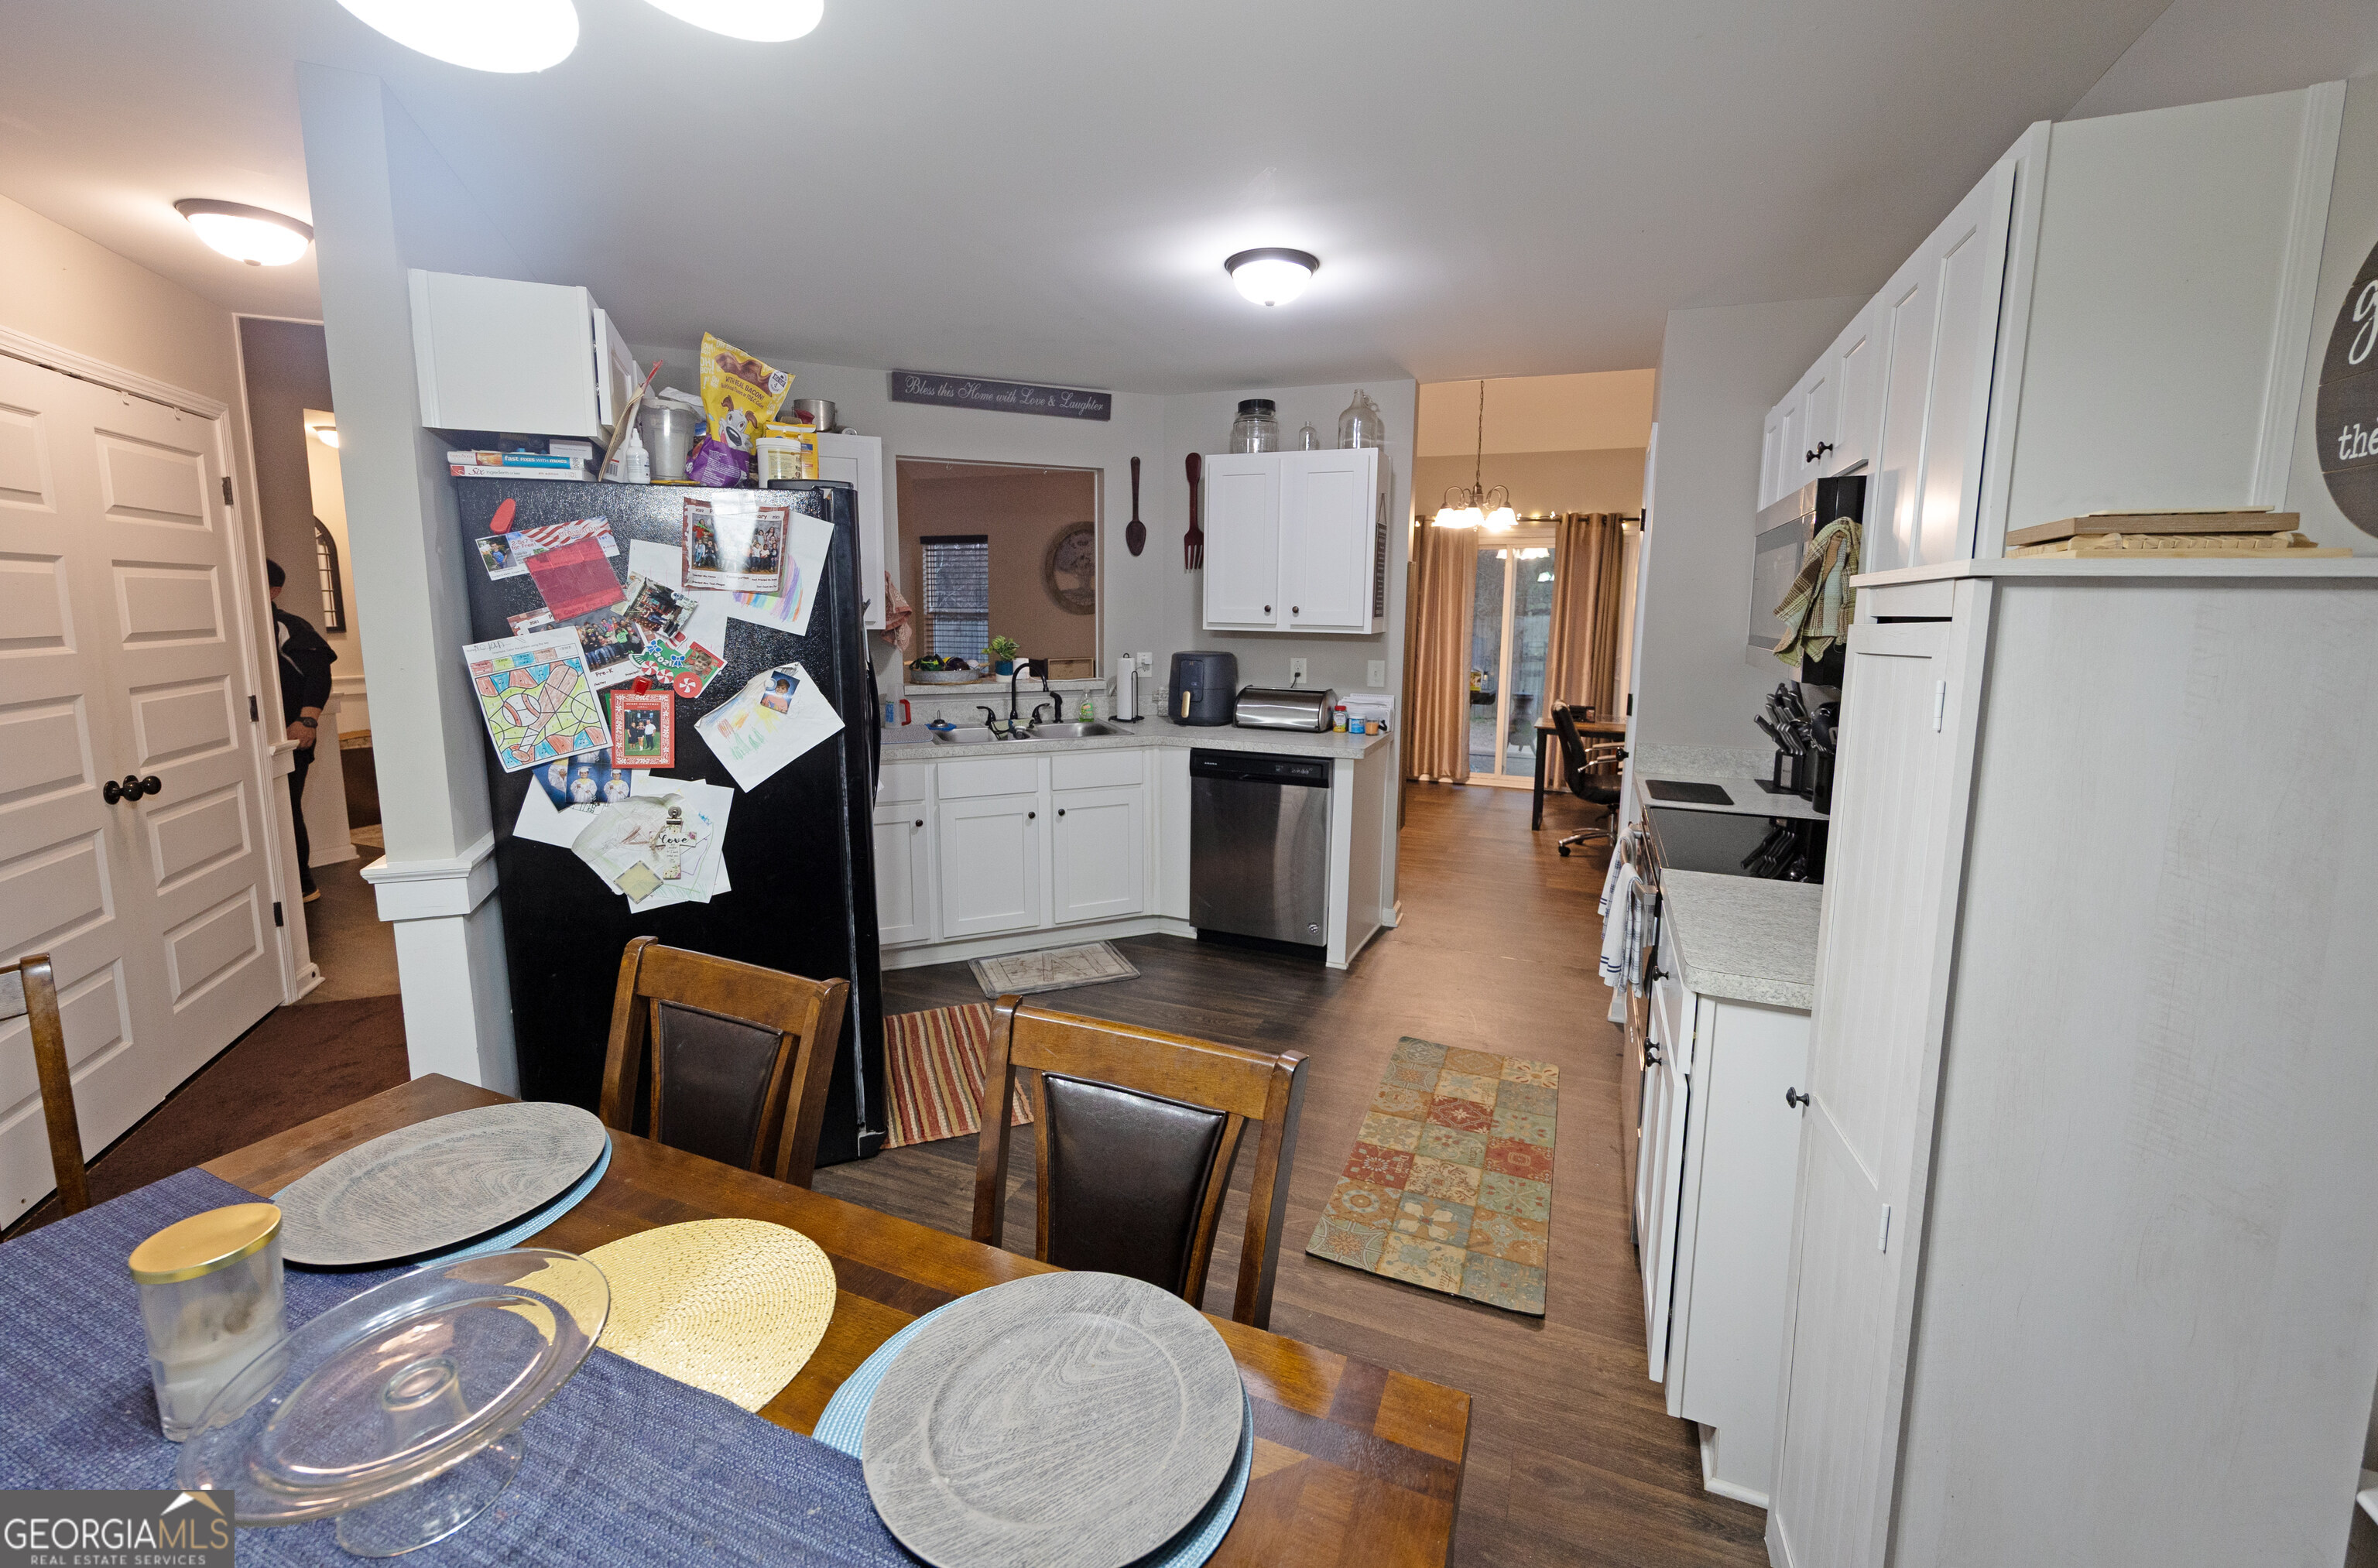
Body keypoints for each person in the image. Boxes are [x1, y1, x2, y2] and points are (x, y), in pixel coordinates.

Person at [269, 559, 337, 902]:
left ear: (273, 590)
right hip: (252, 740)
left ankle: (303, 885)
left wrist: (307, 721)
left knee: (286, 808)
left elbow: (319, 674)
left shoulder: (289, 627)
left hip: (290, 736)